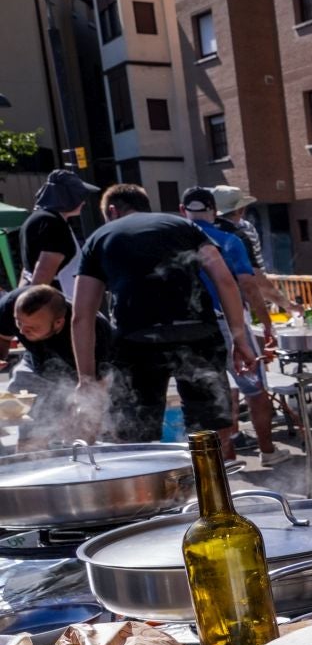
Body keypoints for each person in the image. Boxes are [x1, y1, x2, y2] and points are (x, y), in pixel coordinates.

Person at [71, 184, 259, 442]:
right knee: (208, 430)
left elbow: (82, 315)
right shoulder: (183, 226)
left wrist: (86, 379)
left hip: (136, 342)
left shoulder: (99, 238)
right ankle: (210, 478)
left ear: (112, 211)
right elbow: (225, 281)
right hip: (198, 333)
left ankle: (148, 480)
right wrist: (240, 340)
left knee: (136, 434)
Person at [182, 187, 278, 460]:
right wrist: (266, 323)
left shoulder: (173, 242)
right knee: (254, 389)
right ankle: (268, 451)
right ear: (213, 211)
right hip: (229, 323)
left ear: (182, 210)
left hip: (192, 328)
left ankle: (227, 459)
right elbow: (248, 285)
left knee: (212, 393)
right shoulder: (229, 240)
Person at [0, 285, 111, 423]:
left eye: (32, 328)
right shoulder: (10, 305)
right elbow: (3, 337)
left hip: (81, 372)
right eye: (19, 323)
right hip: (35, 361)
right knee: (18, 418)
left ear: (58, 323)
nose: (22, 332)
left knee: (79, 424)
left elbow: (98, 386)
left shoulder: (94, 332)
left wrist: (86, 417)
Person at [17, 169, 96, 297]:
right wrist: (34, 309)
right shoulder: (52, 223)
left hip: (38, 296)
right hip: (53, 301)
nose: (84, 202)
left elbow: (28, 269)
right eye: (81, 196)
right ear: (69, 197)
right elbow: (42, 271)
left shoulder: (38, 218)